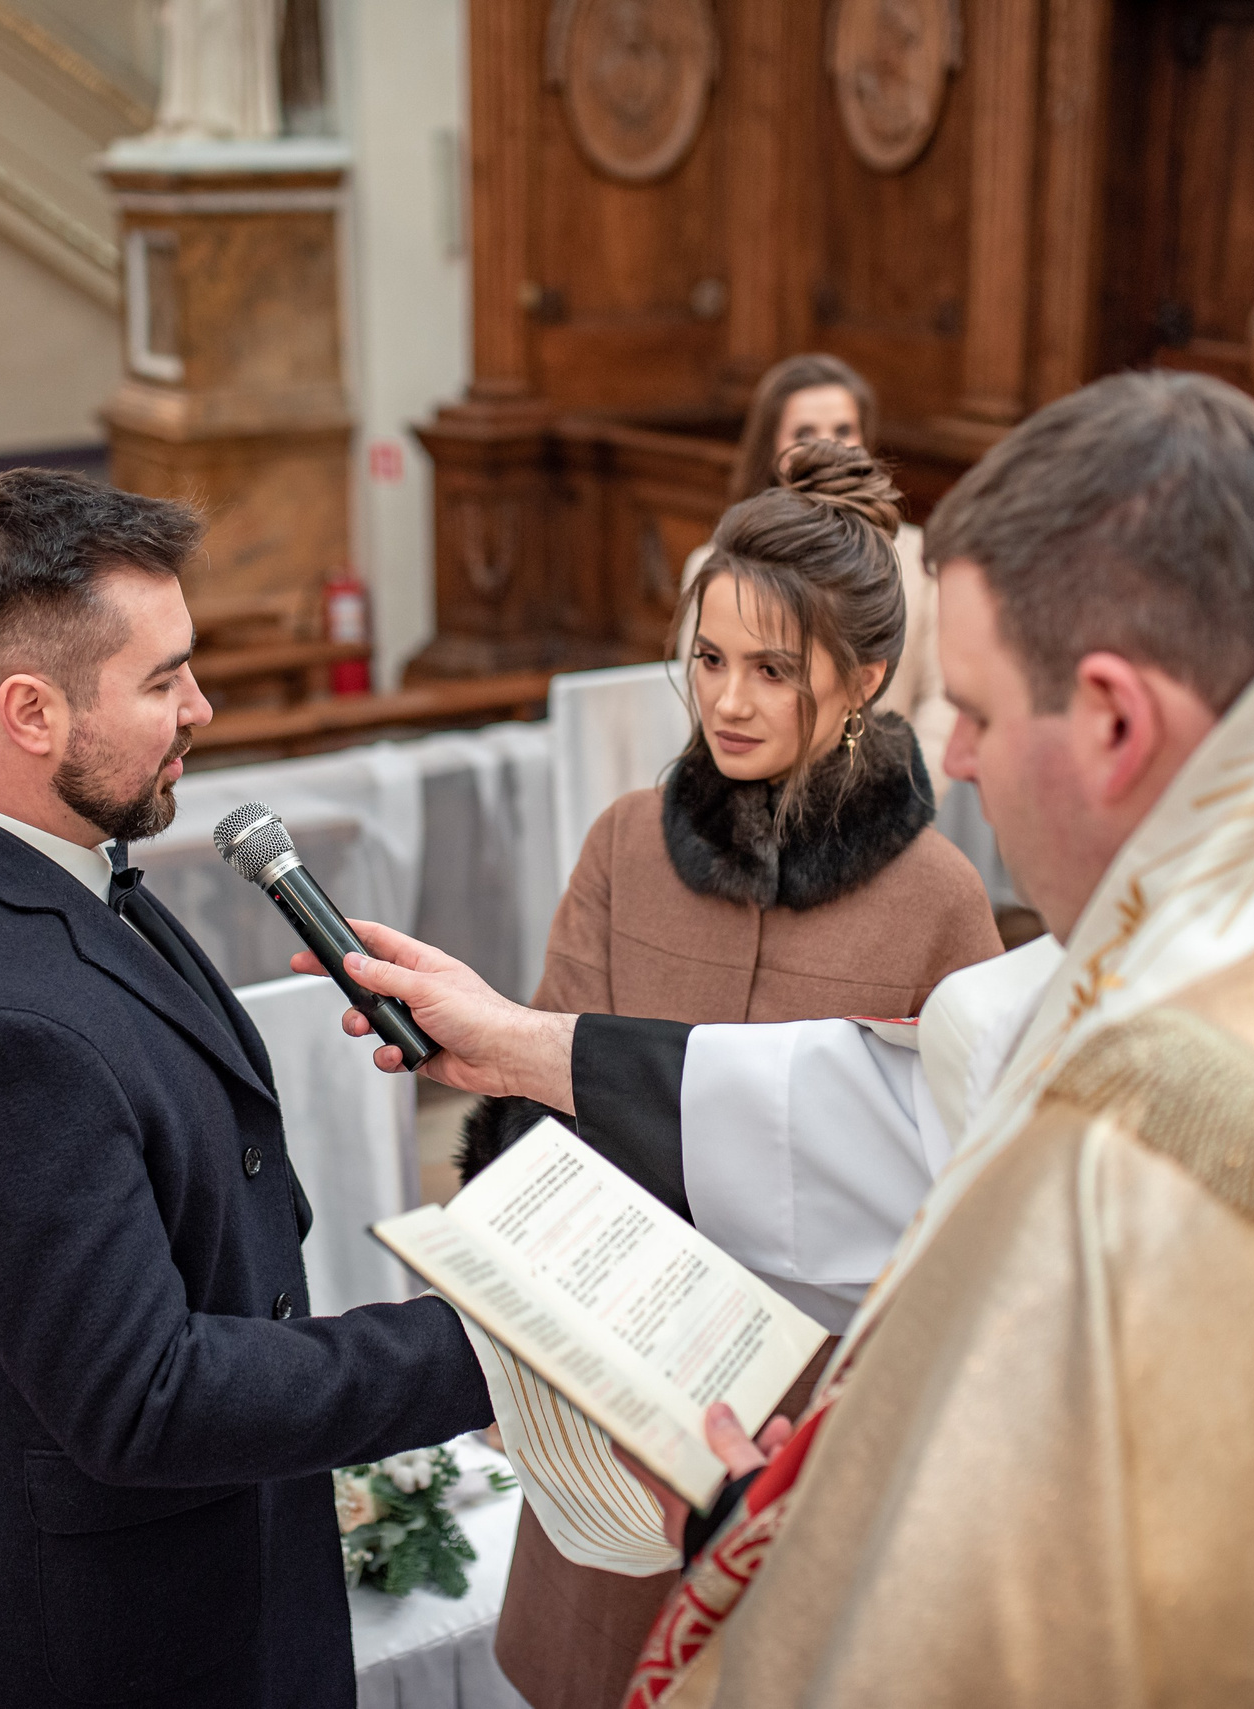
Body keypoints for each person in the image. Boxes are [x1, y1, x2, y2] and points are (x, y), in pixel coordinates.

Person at [313, 371, 1254, 1706]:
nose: (952, 754)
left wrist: (737, 1538)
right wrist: (518, 1044)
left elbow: (974, 1633)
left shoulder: (1166, 1155)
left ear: (1110, 719)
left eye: (973, 709)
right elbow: (933, 1094)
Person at [0, 469, 493, 1709]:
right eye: (162, 680)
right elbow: (142, 1395)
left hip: (209, 1531)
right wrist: (485, 1346)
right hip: (107, 1633)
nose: (201, 706)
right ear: (31, 711)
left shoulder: (17, 862)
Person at [476, 439, 1004, 1709]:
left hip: (809, 1419)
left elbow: (966, 1191)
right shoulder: (623, 843)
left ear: (865, 677)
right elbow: (534, 1093)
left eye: (773, 669)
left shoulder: (937, 898)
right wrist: (511, 1337)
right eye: (709, 660)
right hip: (616, 1382)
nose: (727, 700)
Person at [682, 354, 955, 801]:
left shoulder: (918, 559)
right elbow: (705, 708)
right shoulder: (716, 566)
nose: (828, 444)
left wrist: (900, 797)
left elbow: (941, 700)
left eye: (844, 430)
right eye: (804, 433)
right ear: (771, 447)